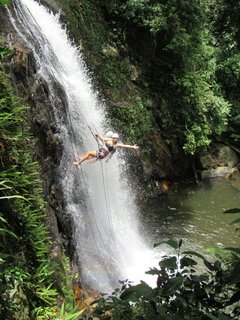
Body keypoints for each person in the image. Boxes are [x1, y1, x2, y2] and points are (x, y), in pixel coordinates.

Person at [73, 132, 139, 166]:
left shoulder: (117, 145)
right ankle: (80, 159)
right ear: (112, 137)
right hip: (100, 151)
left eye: (116, 138)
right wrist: (98, 135)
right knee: (89, 156)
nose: (115, 139)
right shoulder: (109, 139)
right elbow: (103, 139)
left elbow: (125, 146)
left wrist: (133, 147)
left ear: (118, 139)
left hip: (103, 153)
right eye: (114, 138)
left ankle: (79, 162)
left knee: (89, 153)